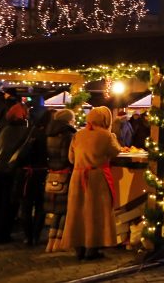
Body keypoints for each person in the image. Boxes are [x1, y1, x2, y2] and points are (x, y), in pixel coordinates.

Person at [61, 106, 121, 260]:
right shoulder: (107, 136)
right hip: (96, 178)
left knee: (77, 212)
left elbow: (71, 158)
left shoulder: (78, 135)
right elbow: (115, 151)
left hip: (77, 176)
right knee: (95, 213)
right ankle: (92, 248)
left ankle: (78, 247)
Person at [0, 102, 29, 243]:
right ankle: (2, 234)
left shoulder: (4, 129)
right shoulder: (22, 131)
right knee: (7, 204)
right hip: (9, 172)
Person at [17, 109, 53, 246]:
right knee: (40, 207)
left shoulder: (30, 132)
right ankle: (36, 236)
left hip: (27, 174)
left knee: (26, 206)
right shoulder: (48, 136)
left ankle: (28, 237)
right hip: (41, 173)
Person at [44, 108, 76, 252]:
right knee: (65, 210)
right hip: (65, 174)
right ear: (68, 120)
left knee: (56, 210)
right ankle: (59, 242)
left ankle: (50, 243)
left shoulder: (50, 133)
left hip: (52, 173)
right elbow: (66, 158)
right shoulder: (67, 134)